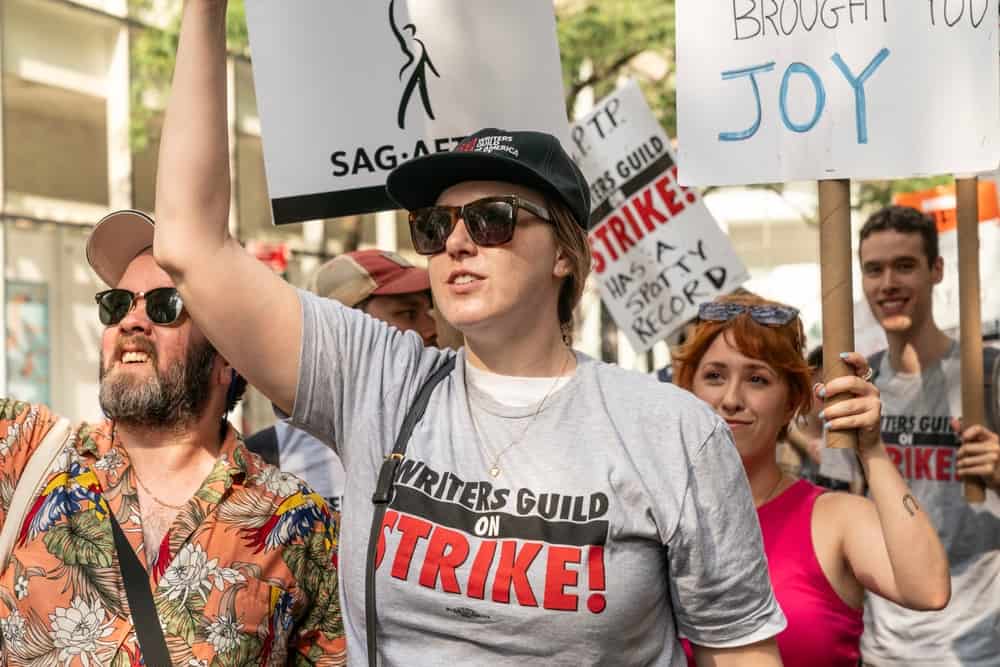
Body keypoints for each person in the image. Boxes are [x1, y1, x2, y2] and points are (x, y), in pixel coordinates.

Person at [153, 2, 789, 663]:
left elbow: (740, 652)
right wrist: (205, 10)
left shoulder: (675, 431)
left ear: (564, 254)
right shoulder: (377, 378)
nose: (456, 240)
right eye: (434, 225)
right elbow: (189, 244)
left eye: (492, 219)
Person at [0, 209, 345, 665]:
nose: (131, 322)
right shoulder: (24, 453)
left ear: (230, 355)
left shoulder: (299, 524)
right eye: (118, 303)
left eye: (165, 305)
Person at [672, 292, 950, 667]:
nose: (731, 399)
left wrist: (871, 449)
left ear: (791, 402)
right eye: (714, 376)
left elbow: (928, 590)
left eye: (757, 379)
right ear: (689, 390)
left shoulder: (835, 518)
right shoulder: (658, 517)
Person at [857, 205, 1000, 667]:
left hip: (977, 646)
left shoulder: (989, 375)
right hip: (883, 648)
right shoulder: (859, 386)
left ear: (936, 270)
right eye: (874, 269)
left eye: (904, 266)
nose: (888, 284)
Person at [246, 249, 438, 510]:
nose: (431, 329)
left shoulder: (445, 430)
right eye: (407, 314)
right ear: (344, 327)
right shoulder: (269, 457)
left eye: (430, 312)